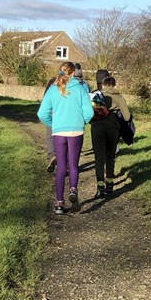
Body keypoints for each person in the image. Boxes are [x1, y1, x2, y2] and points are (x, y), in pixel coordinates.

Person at [37, 61, 94, 214]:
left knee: (61, 167)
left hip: (59, 132)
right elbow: (90, 113)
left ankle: (59, 204)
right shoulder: (81, 88)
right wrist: (81, 122)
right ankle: (73, 190)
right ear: (73, 72)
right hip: (76, 131)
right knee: (73, 165)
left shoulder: (53, 89)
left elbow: (41, 114)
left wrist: (54, 123)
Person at [90, 75, 131, 198]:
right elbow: (127, 116)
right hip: (113, 128)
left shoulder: (96, 95)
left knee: (99, 157)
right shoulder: (118, 96)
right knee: (110, 156)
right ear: (114, 85)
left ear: (103, 85)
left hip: (97, 127)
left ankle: (100, 186)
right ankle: (110, 185)